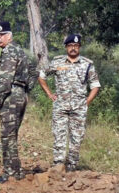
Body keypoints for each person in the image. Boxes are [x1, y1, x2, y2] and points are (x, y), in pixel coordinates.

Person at [38, 34, 100, 171]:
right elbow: (42, 76)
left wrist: (86, 102)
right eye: (70, 45)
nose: (73, 48)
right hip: (60, 106)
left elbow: (95, 86)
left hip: (79, 108)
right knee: (59, 135)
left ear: (79, 47)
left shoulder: (87, 64)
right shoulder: (57, 62)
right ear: (66, 47)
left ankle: (72, 166)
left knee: (76, 138)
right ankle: (58, 165)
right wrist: (49, 94)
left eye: (76, 46)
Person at [0, 21, 28, 183]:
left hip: (11, 97)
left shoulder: (8, 52)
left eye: (1, 35)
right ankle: (16, 171)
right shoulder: (20, 50)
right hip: (20, 94)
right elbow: (32, 73)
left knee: (7, 136)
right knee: (12, 134)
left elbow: (5, 82)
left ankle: (10, 173)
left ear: (9, 35)